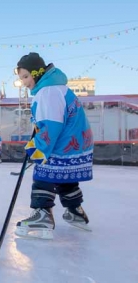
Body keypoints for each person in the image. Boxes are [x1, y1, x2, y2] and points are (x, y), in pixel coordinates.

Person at [14, 52, 93, 240]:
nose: (24, 82)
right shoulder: (56, 88)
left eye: (26, 76)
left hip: (62, 143)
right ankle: (75, 211)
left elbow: (51, 124)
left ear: (38, 72)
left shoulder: (47, 91)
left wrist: (39, 148)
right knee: (64, 176)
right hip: (76, 144)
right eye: (21, 78)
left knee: (45, 173)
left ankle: (42, 214)